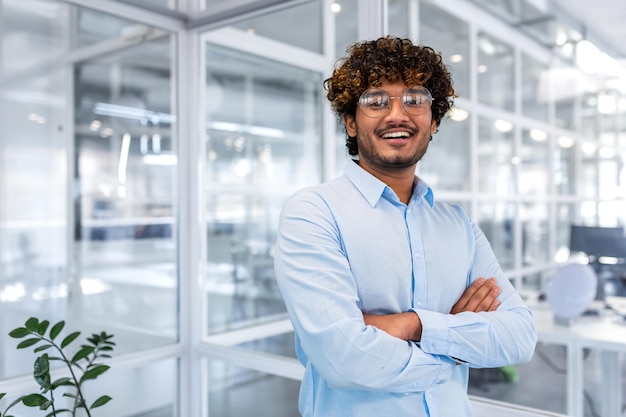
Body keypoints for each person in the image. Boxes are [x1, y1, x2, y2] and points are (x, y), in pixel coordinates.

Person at [273, 36, 537, 417]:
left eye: (415, 101)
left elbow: (520, 338)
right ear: (350, 122)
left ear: (432, 123)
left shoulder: (457, 226)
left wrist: (413, 325)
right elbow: (344, 357)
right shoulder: (314, 212)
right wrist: (458, 345)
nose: (397, 115)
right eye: (376, 101)